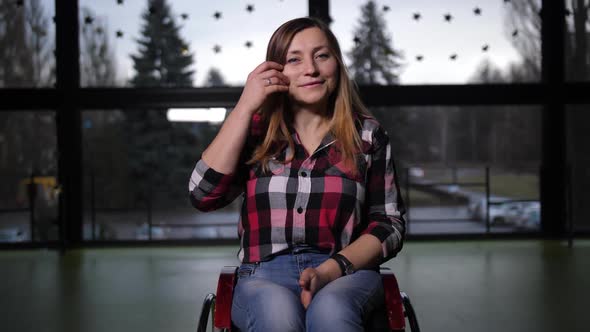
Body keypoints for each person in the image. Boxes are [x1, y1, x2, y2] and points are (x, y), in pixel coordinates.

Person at [189, 17, 406, 332]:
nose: (311, 69)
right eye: (294, 59)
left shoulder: (369, 136)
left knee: (331, 311)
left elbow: (389, 224)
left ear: (337, 64)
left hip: (346, 272)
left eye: (322, 55)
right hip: (263, 275)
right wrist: (244, 107)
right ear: (276, 71)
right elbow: (201, 195)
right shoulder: (255, 132)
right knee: (278, 316)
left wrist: (332, 270)